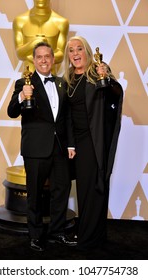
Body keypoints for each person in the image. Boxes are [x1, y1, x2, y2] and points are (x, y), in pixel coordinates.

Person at [7, 42, 76, 252]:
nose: (44, 60)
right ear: (34, 60)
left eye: (47, 56)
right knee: (35, 194)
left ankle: (57, 233)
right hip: (36, 149)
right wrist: (21, 95)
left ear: (53, 59)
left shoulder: (62, 83)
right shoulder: (24, 83)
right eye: (40, 57)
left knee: (61, 191)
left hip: (60, 148)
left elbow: (66, 118)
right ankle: (35, 236)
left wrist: (71, 144)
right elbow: (11, 111)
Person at [63, 36, 123, 251]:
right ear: (68, 56)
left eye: (79, 49)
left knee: (94, 187)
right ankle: (89, 233)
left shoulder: (97, 72)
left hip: (94, 140)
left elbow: (115, 94)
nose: (76, 53)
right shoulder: (69, 78)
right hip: (77, 142)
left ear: (87, 52)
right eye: (71, 50)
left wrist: (106, 77)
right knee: (83, 189)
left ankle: (89, 237)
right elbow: (67, 115)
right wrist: (70, 144)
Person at [13, 0, 69, 74]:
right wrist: (34, 43)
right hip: (28, 78)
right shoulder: (20, 21)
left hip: (50, 78)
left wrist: (39, 57)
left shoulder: (61, 22)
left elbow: (61, 55)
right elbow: (19, 54)